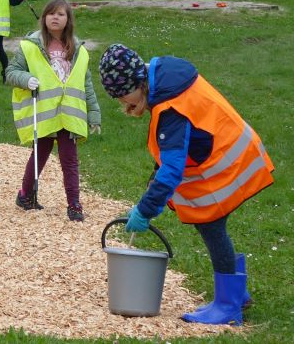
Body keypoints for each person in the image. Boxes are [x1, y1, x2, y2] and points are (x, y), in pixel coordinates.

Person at [98, 44, 274, 326]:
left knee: (211, 224)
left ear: (136, 82)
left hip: (227, 159)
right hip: (228, 150)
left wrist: (145, 210)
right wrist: (153, 183)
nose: (123, 103)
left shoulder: (170, 109)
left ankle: (228, 305)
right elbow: (173, 152)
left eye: (122, 95)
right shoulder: (165, 82)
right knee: (214, 226)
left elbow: (172, 169)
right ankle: (237, 294)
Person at [5, 0, 101, 221]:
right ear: (44, 18)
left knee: (70, 160)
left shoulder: (78, 50)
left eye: (60, 14)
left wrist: (94, 113)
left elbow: (86, 83)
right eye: (51, 13)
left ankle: (74, 204)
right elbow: (11, 71)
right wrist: (25, 78)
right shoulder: (31, 46)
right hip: (45, 112)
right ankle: (26, 195)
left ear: (68, 20)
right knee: (39, 155)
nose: (55, 17)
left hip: (68, 113)